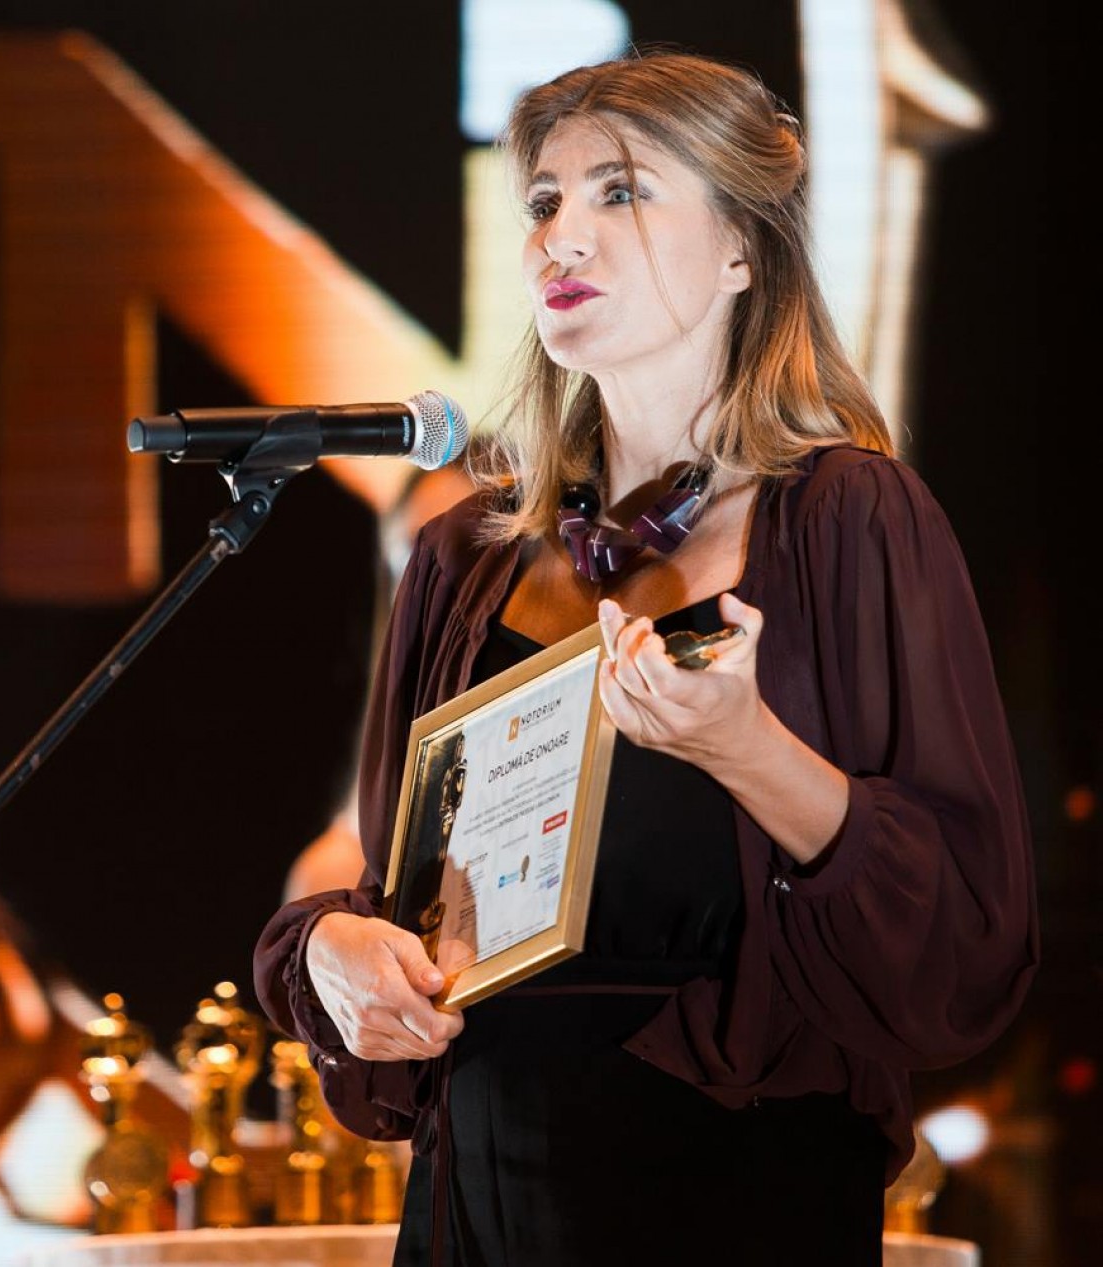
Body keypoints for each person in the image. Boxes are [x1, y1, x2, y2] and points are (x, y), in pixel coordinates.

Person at [253, 51, 1036, 1266]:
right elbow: (393, 897)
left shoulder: (848, 520)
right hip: (478, 1201)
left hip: (733, 1197)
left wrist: (746, 748)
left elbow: (963, 942)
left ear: (741, 251)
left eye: (619, 190)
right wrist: (329, 952)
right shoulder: (465, 558)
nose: (559, 236)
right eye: (543, 201)